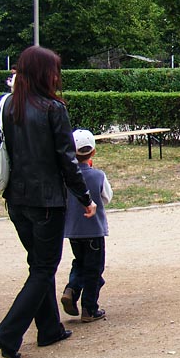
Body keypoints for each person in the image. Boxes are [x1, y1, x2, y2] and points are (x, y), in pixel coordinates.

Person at [0, 46, 96, 358]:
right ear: (44, 73)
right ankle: (9, 334)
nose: (57, 76)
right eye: (54, 70)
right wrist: (85, 198)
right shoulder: (52, 108)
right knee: (44, 268)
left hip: (16, 201)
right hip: (46, 202)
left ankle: (49, 329)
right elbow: (67, 161)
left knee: (38, 265)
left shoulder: (4, 105)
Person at [61, 129, 112, 323]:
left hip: (73, 230)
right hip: (94, 230)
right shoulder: (98, 175)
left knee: (80, 262)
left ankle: (72, 289)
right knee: (94, 268)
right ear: (93, 152)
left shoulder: (65, 176)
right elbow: (106, 197)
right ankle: (89, 309)